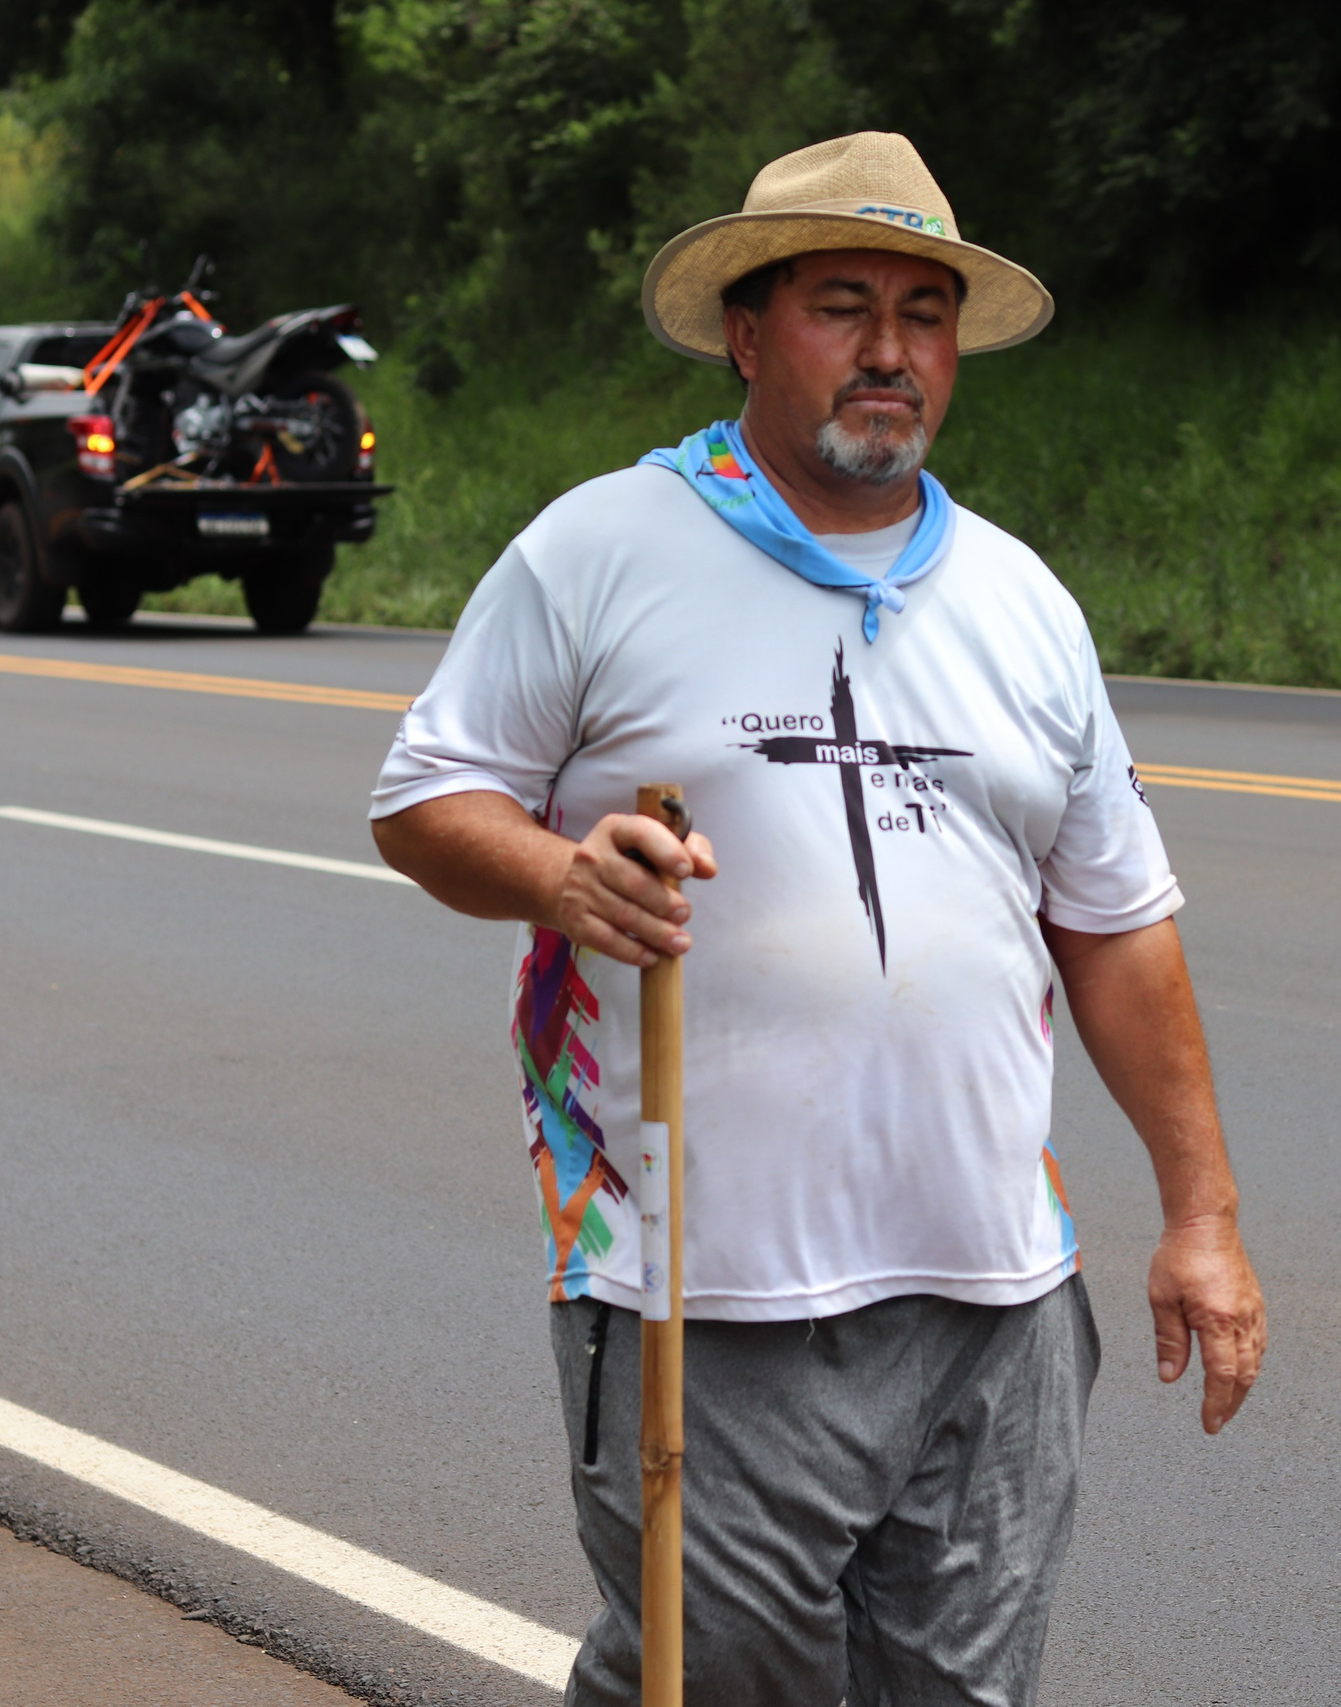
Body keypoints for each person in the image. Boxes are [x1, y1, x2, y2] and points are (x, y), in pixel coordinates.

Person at [370, 131, 1265, 1707]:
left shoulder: (1020, 601)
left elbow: (1116, 923)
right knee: (718, 1687)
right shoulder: (599, 551)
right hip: (701, 1290)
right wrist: (563, 878)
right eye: (843, 306)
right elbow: (428, 801)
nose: (892, 351)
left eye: (925, 315)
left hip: (994, 1299)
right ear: (748, 329)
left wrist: (1202, 1215)